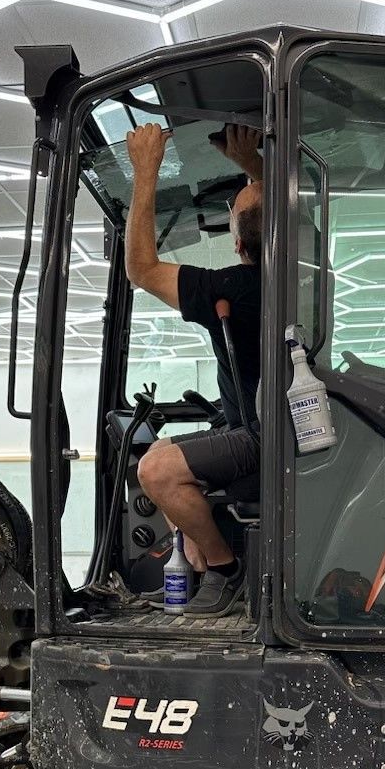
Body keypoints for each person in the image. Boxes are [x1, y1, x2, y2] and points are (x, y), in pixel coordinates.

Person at [125, 122, 263, 617]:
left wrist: (146, 170)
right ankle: (199, 566)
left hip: (262, 437)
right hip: (260, 425)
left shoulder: (238, 287)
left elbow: (140, 269)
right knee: (163, 449)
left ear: (239, 246)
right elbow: (276, 219)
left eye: (232, 216)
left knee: (154, 470)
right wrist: (253, 168)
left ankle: (227, 572)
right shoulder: (301, 275)